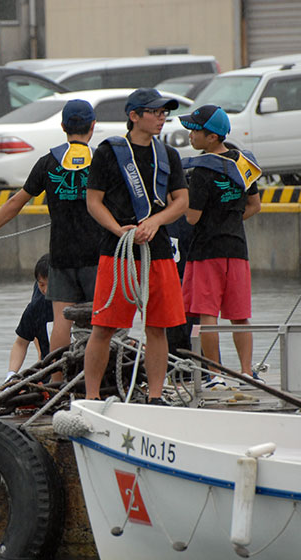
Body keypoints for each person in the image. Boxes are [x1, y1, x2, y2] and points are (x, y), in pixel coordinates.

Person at [0, 99, 103, 382]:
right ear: (93, 127)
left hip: (61, 255)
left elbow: (17, 202)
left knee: (61, 322)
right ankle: (97, 382)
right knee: (101, 323)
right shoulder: (102, 161)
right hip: (97, 255)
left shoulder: (48, 162)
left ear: (62, 127)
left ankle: (57, 381)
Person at [83, 88, 189, 405]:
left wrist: (156, 222)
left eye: (164, 112)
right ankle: (90, 397)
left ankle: (155, 396)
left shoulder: (167, 155)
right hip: (118, 251)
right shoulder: (108, 152)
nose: (162, 117)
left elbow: (181, 201)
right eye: (155, 112)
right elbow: (93, 202)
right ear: (134, 116)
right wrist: (118, 228)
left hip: (158, 251)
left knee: (158, 327)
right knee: (104, 327)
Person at [178, 104, 262, 386]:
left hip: (206, 252)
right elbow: (254, 205)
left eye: (195, 130)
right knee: (240, 316)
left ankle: (214, 375)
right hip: (237, 249)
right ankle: (247, 373)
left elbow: (192, 217)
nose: (190, 135)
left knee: (207, 315)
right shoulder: (243, 163)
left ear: (211, 137)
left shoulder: (201, 171)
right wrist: (230, 220)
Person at [6, 254, 54, 381]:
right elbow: (21, 343)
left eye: (50, 284)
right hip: (48, 372)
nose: (46, 290)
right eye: (42, 285)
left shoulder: (79, 301)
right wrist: (11, 374)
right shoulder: (36, 307)